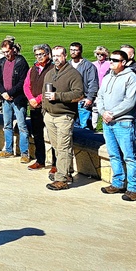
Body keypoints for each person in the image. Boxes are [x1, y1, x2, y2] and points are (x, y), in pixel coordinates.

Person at [95, 50, 136, 201]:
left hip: (123, 122)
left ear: (124, 62)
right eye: (110, 59)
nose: (111, 62)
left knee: (129, 156)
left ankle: (134, 188)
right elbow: (100, 96)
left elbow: (130, 101)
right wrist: (103, 112)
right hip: (108, 122)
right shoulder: (108, 77)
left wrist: (112, 114)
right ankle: (117, 183)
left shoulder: (131, 78)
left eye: (115, 60)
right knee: (114, 154)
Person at [41, 46, 84, 191]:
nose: (56, 58)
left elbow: (79, 94)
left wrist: (57, 96)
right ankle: (67, 172)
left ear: (65, 56)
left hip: (64, 116)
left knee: (64, 147)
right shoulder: (50, 73)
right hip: (49, 115)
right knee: (57, 147)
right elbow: (43, 93)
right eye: (54, 55)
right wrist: (44, 111)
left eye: (59, 55)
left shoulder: (73, 74)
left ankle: (61, 179)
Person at [0, 39, 30, 161]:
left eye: (7, 51)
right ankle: (8, 150)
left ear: (13, 49)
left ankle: (24, 153)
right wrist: (4, 93)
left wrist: (10, 93)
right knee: (7, 125)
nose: (6, 54)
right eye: (4, 52)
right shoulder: (1, 63)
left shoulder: (21, 62)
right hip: (6, 100)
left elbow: (22, 82)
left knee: (21, 126)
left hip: (18, 99)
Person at [23, 44, 53, 170]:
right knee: (37, 135)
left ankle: (56, 164)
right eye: (37, 54)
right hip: (35, 108)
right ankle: (40, 160)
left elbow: (51, 88)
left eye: (41, 54)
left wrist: (38, 99)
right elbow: (26, 85)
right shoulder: (33, 69)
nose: (39, 57)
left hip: (48, 107)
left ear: (47, 54)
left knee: (52, 136)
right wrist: (31, 99)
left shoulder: (52, 68)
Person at [68, 42, 99, 130]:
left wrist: (90, 98)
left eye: (75, 50)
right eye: (71, 50)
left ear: (80, 51)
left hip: (83, 101)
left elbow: (93, 83)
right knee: (72, 126)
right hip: (70, 100)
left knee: (85, 126)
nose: (73, 52)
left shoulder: (88, 66)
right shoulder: (67, 65)